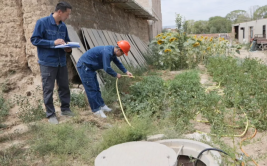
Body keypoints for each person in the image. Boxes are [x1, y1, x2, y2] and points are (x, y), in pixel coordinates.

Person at [31, 2, 74, 124]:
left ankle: (65, 109)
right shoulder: (42, 22)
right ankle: (51, 115)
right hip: (48, 62)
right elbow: (35, 40)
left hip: (61, 62)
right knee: (48, 89)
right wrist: (52, 43)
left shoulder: (63, 26)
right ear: (60, 12)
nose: (68, 17)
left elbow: (66, 41)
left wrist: (68, 48)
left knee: (64, 87)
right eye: (67, 14)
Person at [77, 40, 133, 118]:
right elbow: (106, 68)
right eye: (122, 53)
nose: (122, 55)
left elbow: (118, 63)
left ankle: (101, 105)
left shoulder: (112, 52)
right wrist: (116, 74)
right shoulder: (107, 52)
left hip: (90, 68)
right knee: (91, 89)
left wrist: (126, 71)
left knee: (96, 88)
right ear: (118, 49)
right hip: (84, 66)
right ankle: (96, 110)